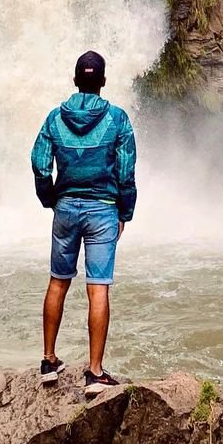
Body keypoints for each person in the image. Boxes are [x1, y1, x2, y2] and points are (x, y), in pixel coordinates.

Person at [30, 50, 137, 396]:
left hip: (66, 209)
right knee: (98, 288)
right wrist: (125, 212)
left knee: (58, 282)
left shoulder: (54, 119)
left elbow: (39, 163)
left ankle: (48, 361)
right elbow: (126, 171)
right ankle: (94, 373)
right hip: (103, 209)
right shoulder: (118, 119)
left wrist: (51, 199)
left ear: (76, 80)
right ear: (102, 82)